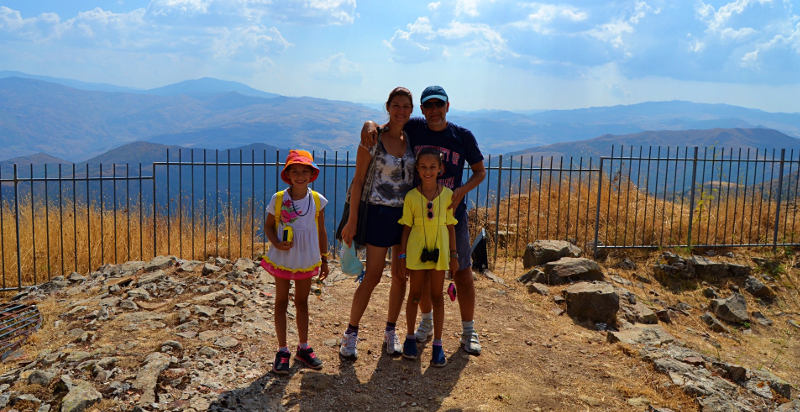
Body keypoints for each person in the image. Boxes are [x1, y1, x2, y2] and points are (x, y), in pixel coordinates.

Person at [361, 85, 486, 356]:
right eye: (428, 105)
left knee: (462, 272)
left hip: (451, 216)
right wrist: (370, 124)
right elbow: (390, 124)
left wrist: (461, 191)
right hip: (418, 217)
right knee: (424, 274)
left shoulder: (462, 136)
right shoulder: (416, 127)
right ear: (422, 109)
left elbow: (480, 171)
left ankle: (468, 331)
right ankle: (427, 322)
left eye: (439, 105)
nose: (434, 110)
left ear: (447, 106)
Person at [339, 87, 416, 360]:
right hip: (378, 214)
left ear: (411, 110)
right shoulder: (372, 139)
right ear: (387, 106)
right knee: (372, 276)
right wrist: (352, 221)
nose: (401, 111)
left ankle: (391, 331)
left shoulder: (412, 139)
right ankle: (351, 333)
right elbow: (358, 181)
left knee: (400, 275)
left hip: (405, 217)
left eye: (406, 106)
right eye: (396, 105)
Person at [261, 149, 330, 374]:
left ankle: (303, 346)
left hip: (306, 258)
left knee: (302, 302)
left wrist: (324, 258)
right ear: (288, 175)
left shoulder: (317, 201)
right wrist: (276, 243)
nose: (300, 176)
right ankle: (282, 349)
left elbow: (321, 230)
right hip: (283, 256)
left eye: (304, 171)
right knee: (281, 300)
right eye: (295, 171)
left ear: (312, 174)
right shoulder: (279, 199)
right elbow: (268, 226)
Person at [398, 147, 458, 366]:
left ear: (440, 168)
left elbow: (451, 227)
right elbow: (406, 228)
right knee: (415, 294)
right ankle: (410, 338)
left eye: (432, 167)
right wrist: (402, 256)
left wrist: (454, 255)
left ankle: (438, 344)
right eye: (423, 167)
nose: (428, 171)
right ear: (417, 169)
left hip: (440, 251)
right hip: (416, 251)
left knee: (437, 297)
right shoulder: (411, 197)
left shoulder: (448, 196)